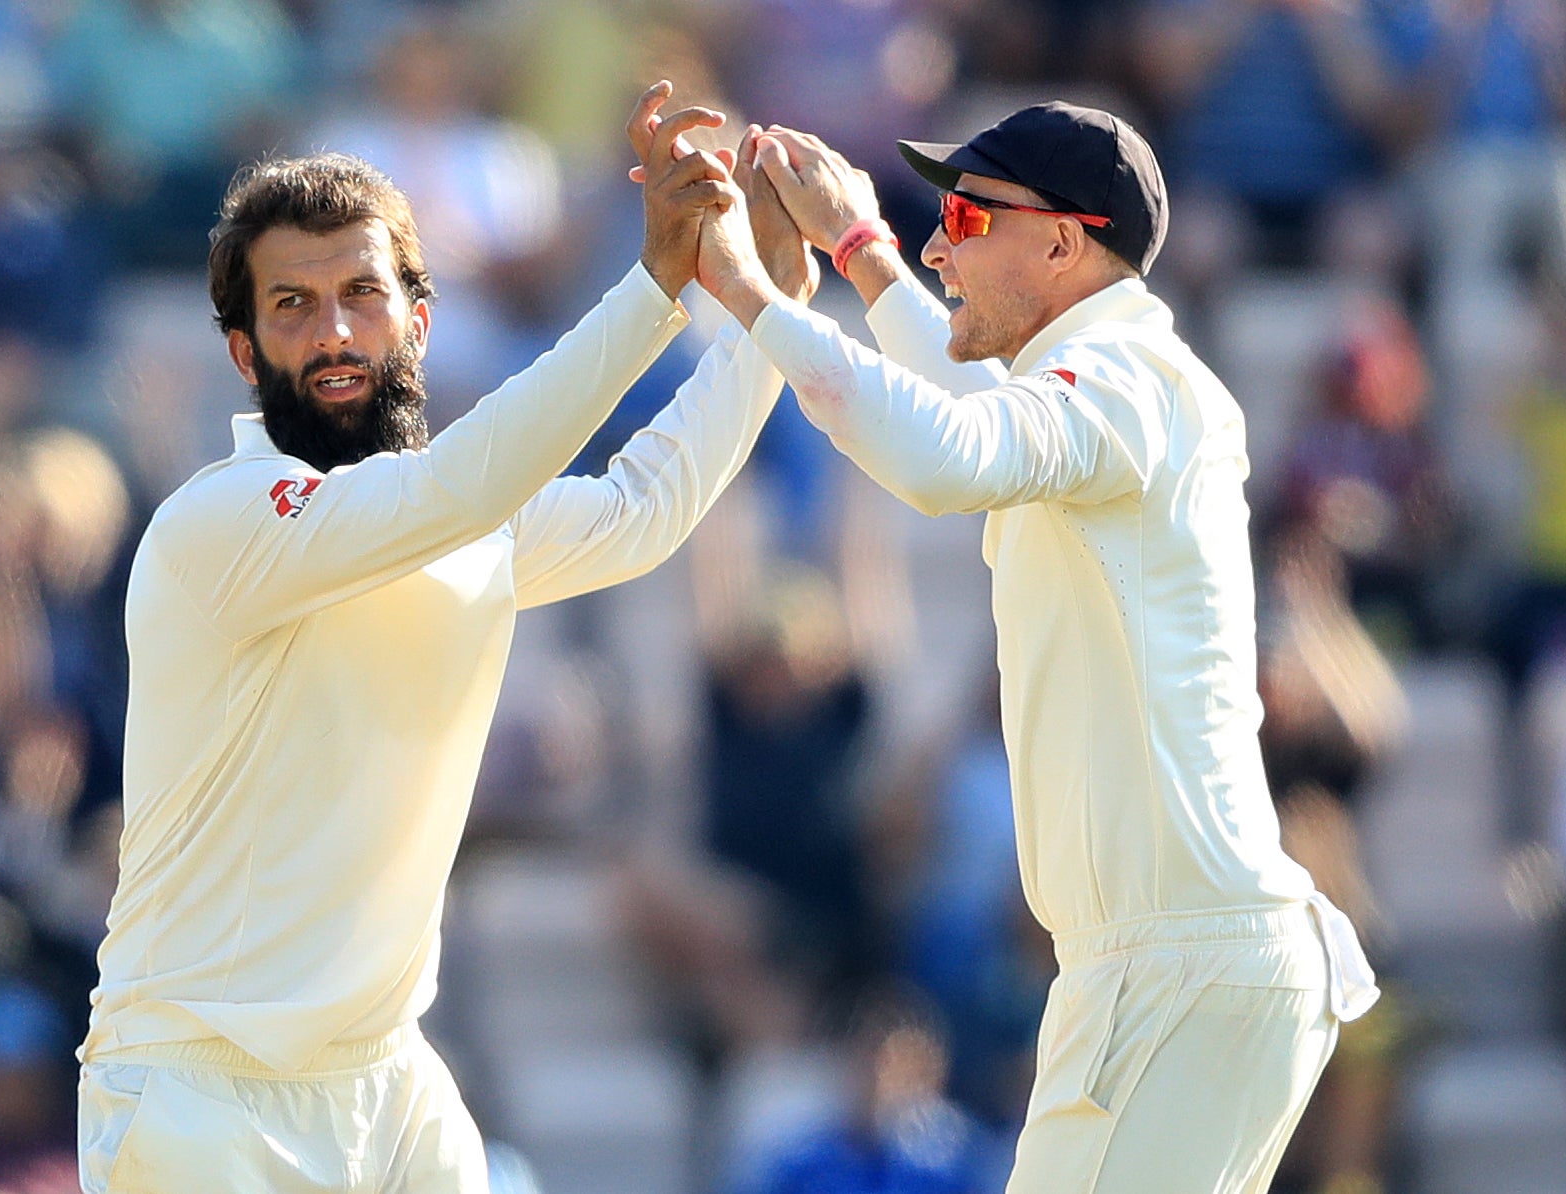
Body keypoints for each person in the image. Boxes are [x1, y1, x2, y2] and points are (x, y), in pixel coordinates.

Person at [74, 82, 814, 1193]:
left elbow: (639, 510)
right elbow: (462, 492)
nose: (332, 334)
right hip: (199, 1095)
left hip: (387, 1084)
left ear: (418, 319)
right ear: (242, 353)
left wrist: (776, 309)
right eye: (291, 306)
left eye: (360, 295)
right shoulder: (216, 525)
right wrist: (657, 284)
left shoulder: (457, 516)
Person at [683, 98, 1381, 1192]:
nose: (934, 242)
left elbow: (944, 454)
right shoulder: (1104, 382)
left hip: (1178, 969)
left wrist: (746, 291)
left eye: (963, 217)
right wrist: (856, 247)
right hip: (1158, 970)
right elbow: (968, 397)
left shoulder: (1126, 379)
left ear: (1061, 241)